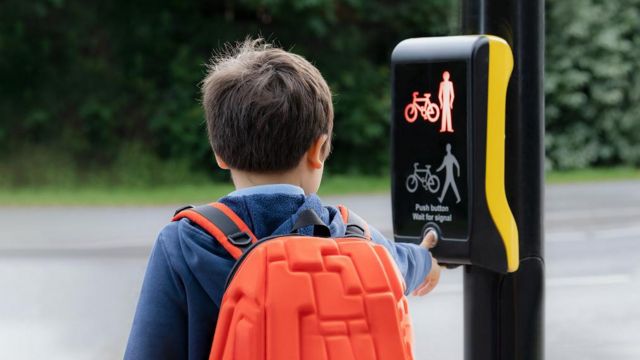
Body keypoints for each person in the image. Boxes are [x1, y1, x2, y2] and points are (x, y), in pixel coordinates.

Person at [124, 38, 441, 360]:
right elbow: (404, 263)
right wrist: (426, 259)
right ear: (318, 150)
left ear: (219, 154)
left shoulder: (184, 242)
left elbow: (149, 348)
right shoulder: (356, 236)